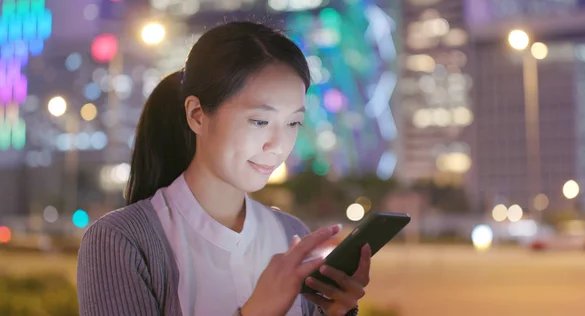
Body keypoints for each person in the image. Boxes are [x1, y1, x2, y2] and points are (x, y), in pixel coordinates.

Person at [76, 21, 371, 316]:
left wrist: (336, 312)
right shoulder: (121, 240)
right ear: (197, 116)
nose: (278, 146)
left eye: (293, 123)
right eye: (259, 121)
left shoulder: (291, 234)